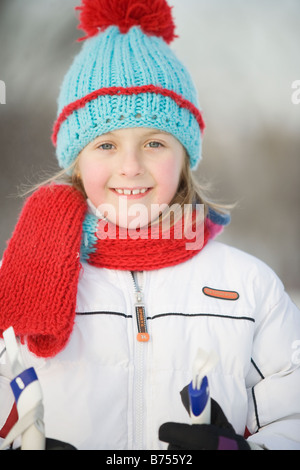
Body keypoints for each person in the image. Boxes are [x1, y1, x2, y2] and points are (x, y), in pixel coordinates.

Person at [0, 0, 299, 451]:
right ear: (76, 162)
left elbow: (290, 412)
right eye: (105, 145)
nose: (131, 166)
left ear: (185, 159)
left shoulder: (249, 286)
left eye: (155, 142)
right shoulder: (20, 274)